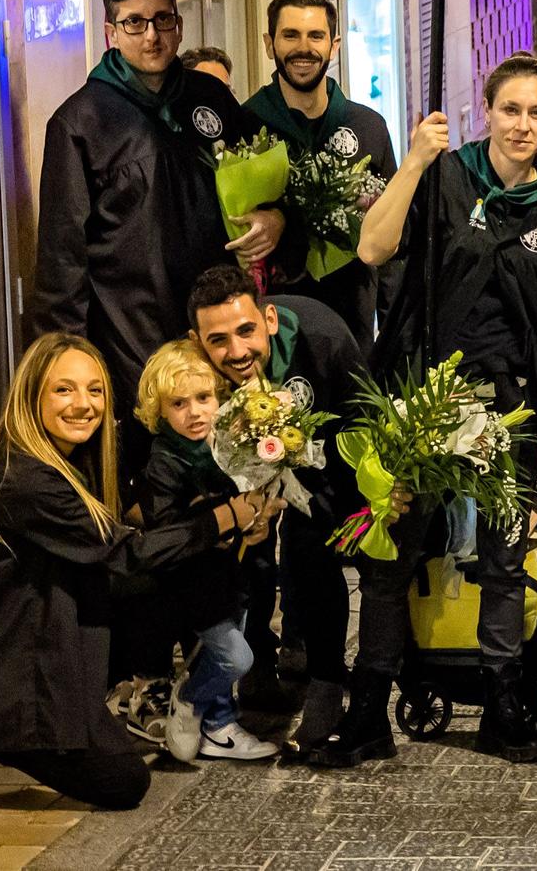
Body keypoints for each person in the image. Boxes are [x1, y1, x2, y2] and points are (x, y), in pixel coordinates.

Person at [351, 54, 537, 764]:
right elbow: (374, 247)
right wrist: (414, 162)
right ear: (484, 108)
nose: (522, 124)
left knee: (503, 554)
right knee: (393, 548)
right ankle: (368, 701)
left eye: (536, 113)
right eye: (510, 109)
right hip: (430, 394)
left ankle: (502, 693)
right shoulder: (446, 174)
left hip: (513, 405)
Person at [0, 334, 277, 810]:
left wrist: (230, 523)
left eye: (94, 390)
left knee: (166, 582)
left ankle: (131, 690)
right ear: (32, 397)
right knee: (123, 783)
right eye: (64, 390)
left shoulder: (62, 460)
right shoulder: (27, 479)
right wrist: (226, 517)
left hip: (39, 635)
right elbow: (125, 552)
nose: (83, 404)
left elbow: (123, 535)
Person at [31, 0, 283, 476]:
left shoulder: (208, 98)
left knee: (235, 464)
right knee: (151, 478)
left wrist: (275, 217)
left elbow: (262, 176)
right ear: (110, 32)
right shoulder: (79, 124)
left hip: (217, 330)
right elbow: (62, 262)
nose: (151, 35)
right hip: (132, 339)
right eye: (134, 23)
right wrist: (62, 365)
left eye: (162, 20)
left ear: (180, 26)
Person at [187, 265, 366, 752]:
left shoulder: (323, 336)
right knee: (248, 552)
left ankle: (327, 675)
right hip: (238, 466)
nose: (237, 352)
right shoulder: (192, 368)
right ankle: (258, 664)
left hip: (324, 455)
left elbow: (362, 423)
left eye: (246, 330)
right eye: (218, 340)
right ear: (196, 340)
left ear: (268, 318)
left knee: (315, 540)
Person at [132, 340, 280, 764]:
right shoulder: (165, 461)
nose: (195, 412)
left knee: (224, 647)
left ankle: (219, 725)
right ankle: (192, 697)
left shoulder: (222, 447)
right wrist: (224, 520)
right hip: (192, 583)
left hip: (228, 575)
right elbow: (169, 529)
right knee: (236, 656)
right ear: (159, 410)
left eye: (204, 398)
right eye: (179, 403)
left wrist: (254, 520)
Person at [244, 0, 399, 352]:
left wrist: (392, 337)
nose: (304, 48)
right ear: (270, 44)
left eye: (316, 36)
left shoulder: (367, 127)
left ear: (335, 45)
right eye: (290, 35)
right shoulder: (245, 127)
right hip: (273, 333)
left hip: (354, 329)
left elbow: (396, 242)